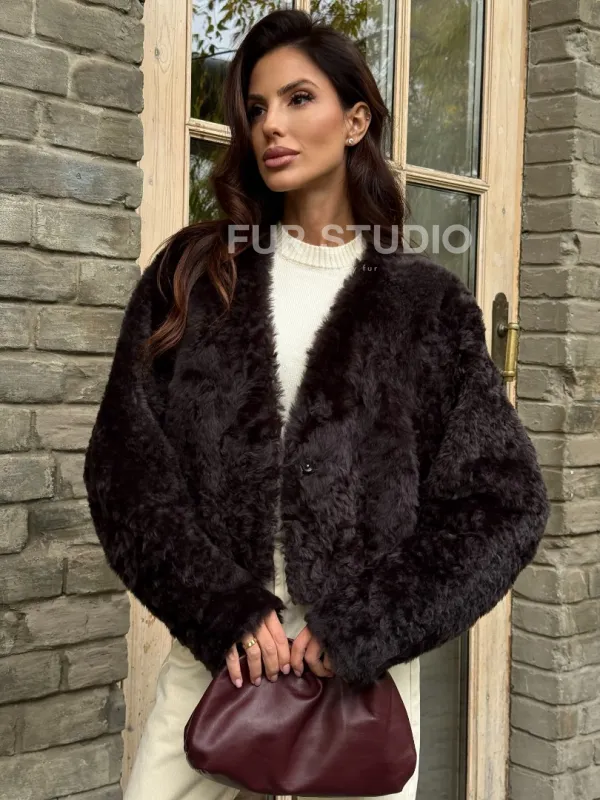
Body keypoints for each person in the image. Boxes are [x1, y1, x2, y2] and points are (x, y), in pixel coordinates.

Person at [83, 9, 550, 800]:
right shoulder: (195, 277)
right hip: (219, 666)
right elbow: (124, 470)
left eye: (299, 99)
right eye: (257, 107)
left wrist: (367, 623)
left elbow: (503, 502)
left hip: (359, 684)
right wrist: (220, 609)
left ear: (355, 120)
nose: (272, 124)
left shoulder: (424, 305)